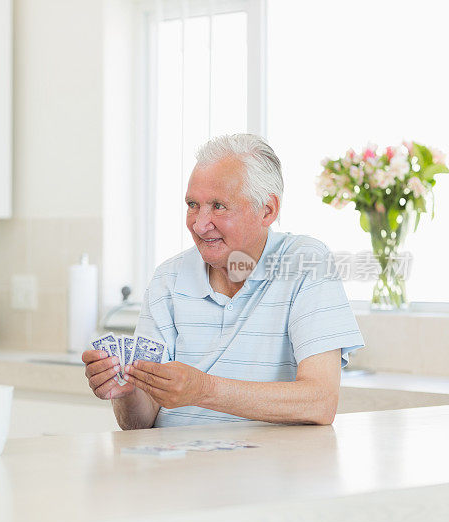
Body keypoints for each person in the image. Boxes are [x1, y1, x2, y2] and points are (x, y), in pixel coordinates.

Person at [83, 134, 364, 429]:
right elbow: (138, 424)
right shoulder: (169, 278)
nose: (200, 224)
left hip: (267, 469)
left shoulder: (306, 263)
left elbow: (320, 401)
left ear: (267, 210)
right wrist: (126, 392)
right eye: (193, 204)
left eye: (218, 206)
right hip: (174, 467)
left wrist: (204, 390)